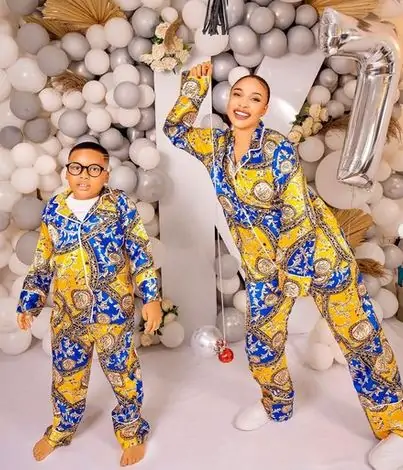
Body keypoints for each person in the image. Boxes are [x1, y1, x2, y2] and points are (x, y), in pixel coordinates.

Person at [164, 62, 403, 470]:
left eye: (255, 98)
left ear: (264, 109)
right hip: (263, 268)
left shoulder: (276, 148)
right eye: (238, 94)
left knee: (360, 338)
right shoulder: (214, 146)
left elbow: (296, 215)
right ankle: (276, 405)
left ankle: (396, 428)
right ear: (227, 101)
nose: (243, 103)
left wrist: (293, 276)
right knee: (262, 341)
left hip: (318, 258)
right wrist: (193, 87)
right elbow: (175, 130)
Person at [17, 142, 162, 467]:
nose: (84, 175)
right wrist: (29, 303)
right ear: (66, 172)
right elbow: (42, 260)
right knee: (66, 374)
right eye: (76, 168)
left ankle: (131, 433)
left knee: (123, 374)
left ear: (105, 174)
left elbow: (140, 252)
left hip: (113, 313)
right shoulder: (55, 210)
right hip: (68, 315)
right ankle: (61, 429)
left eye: (94, 169)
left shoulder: (119, 206)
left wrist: (151, 297)